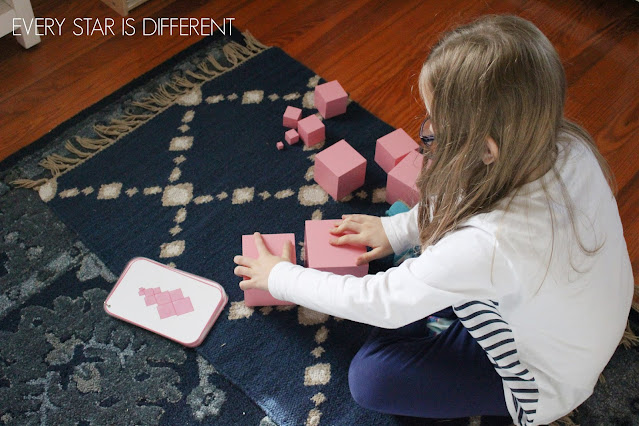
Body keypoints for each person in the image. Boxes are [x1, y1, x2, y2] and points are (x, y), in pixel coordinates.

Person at [233, 14, 633, 425]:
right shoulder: (564, 144)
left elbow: (380, 303)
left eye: (436, 125)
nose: (427, 131)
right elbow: (467, 195)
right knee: (438, 250)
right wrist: (398, 229)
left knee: (371, 379)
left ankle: (430, 297)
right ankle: (428, 286)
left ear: (488, 148)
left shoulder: (488, 245)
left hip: (541, 384)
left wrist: (281, 276)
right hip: (575, 329)